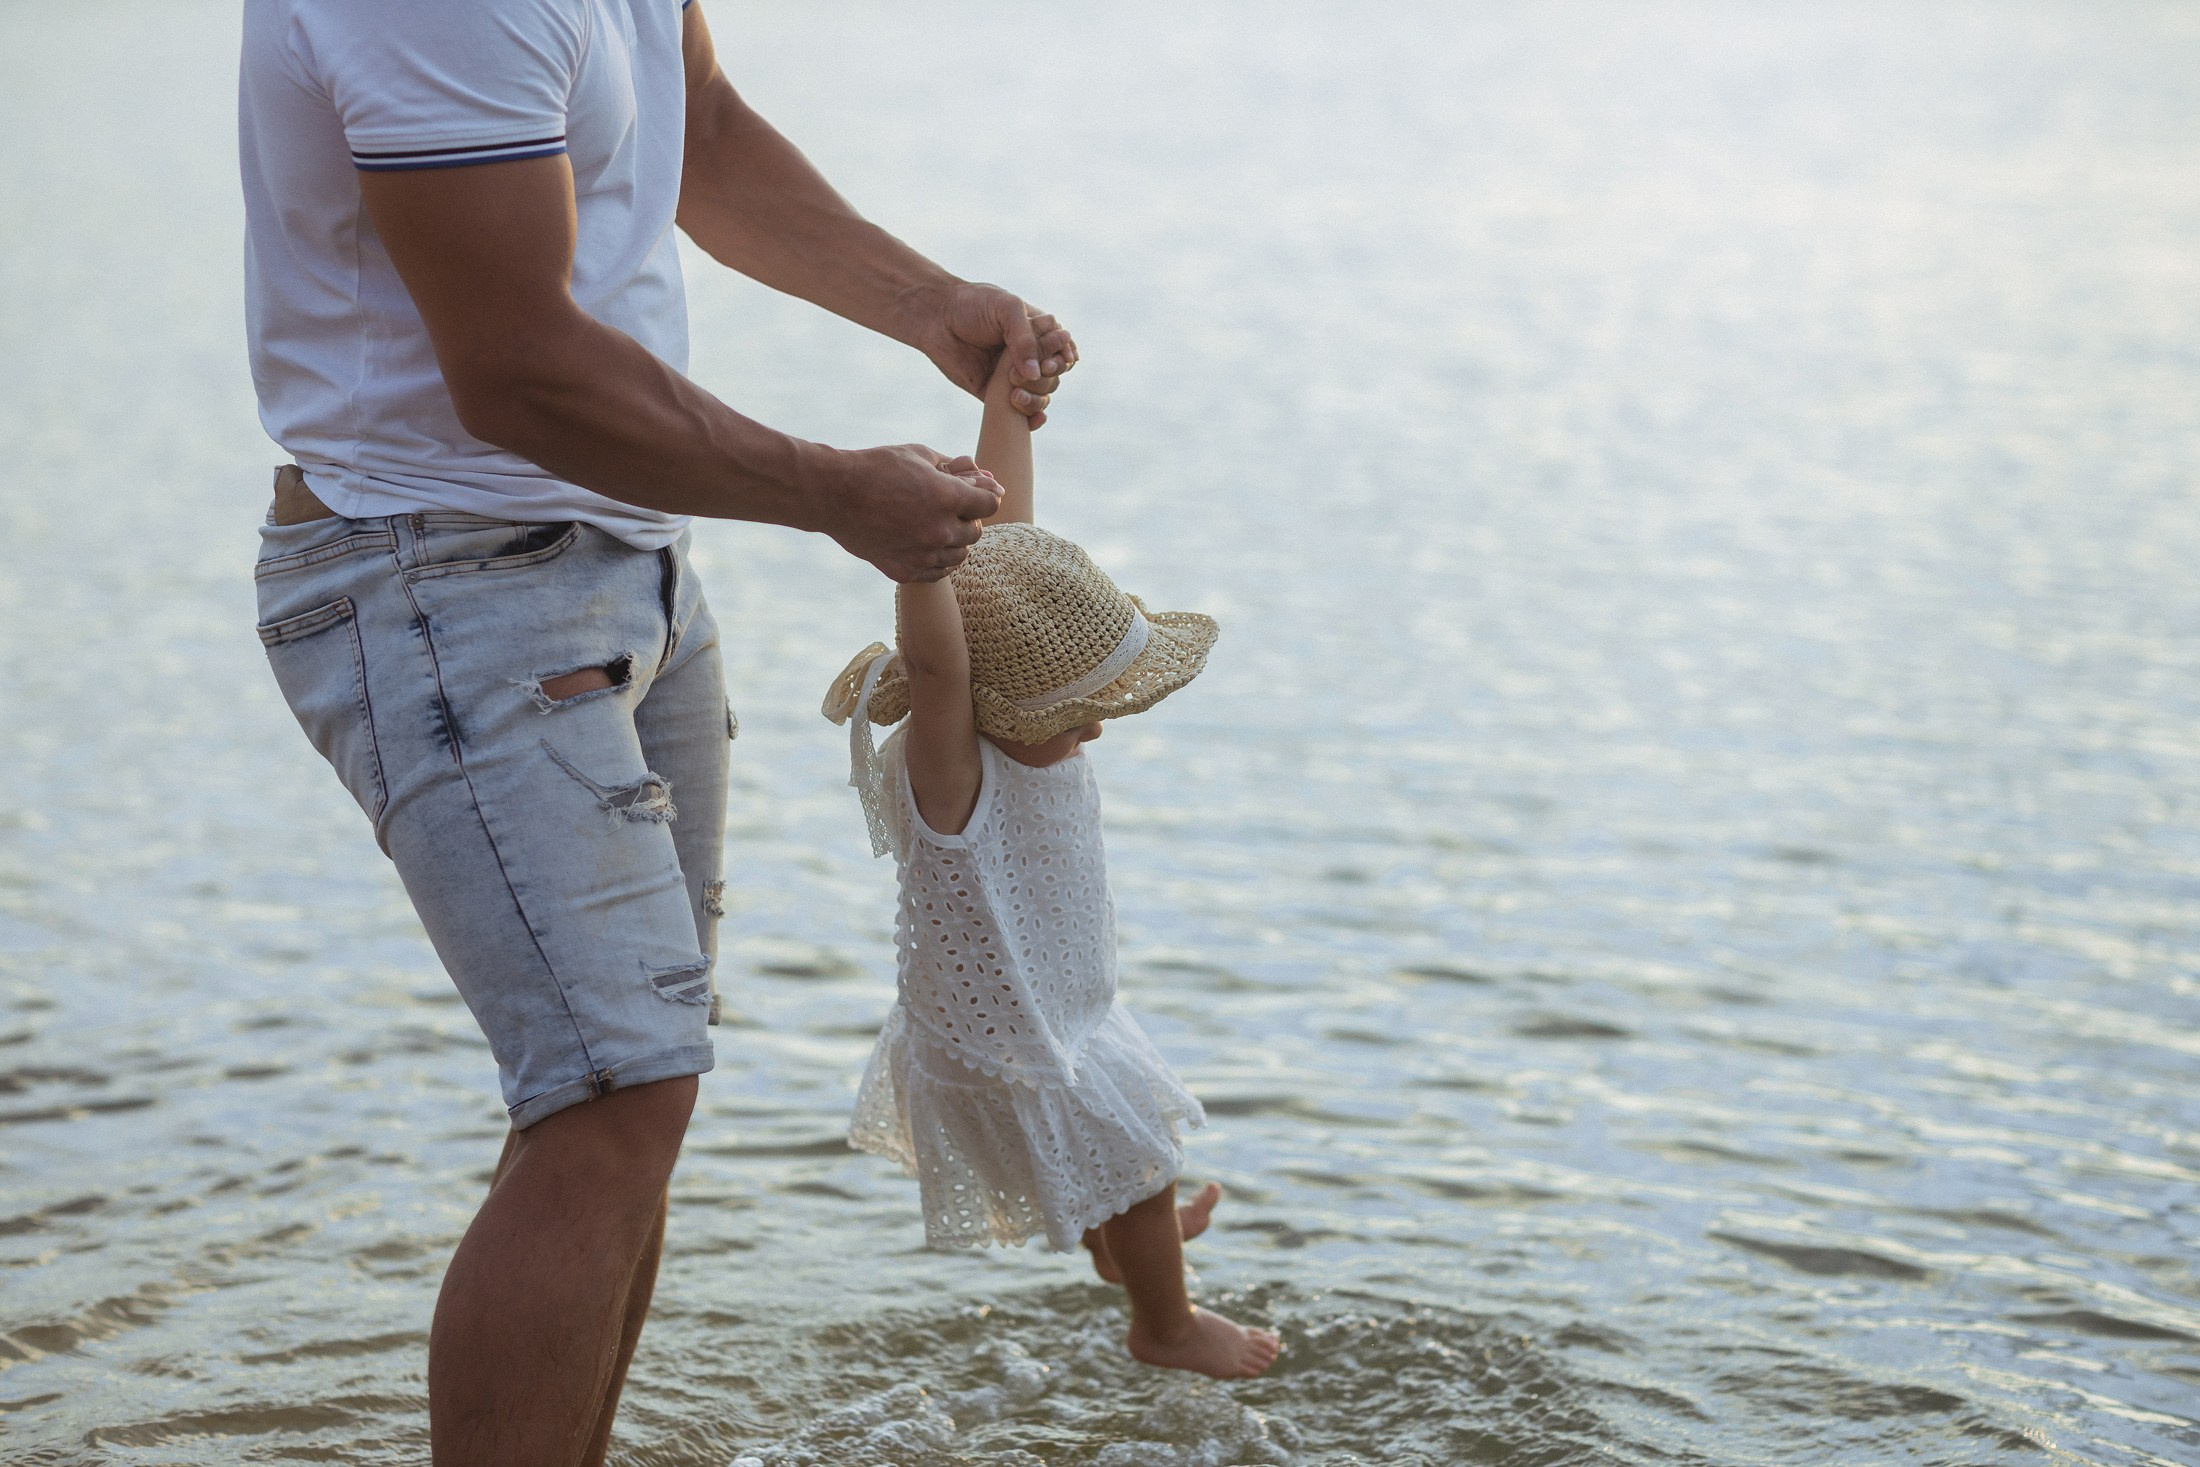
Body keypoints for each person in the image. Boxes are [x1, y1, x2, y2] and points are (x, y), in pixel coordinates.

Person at [238, 0, 1074, 1461]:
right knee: (613, 1091)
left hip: (629, 560)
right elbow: (516, 366)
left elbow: (705, 125)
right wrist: (830, 488)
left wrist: (922, 302)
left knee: (631, 1099)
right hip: (438, 575)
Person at [822, 356, 1282, 1380]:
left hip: (1058, 1014)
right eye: (1074, 716)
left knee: (1118, 1150)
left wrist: (1005, 411)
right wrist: (911, 562)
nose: (1092, 735)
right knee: (1137, 1155)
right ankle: (1163, 1324)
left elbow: (1003, 549)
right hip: (1006, 1040)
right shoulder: (951, 771)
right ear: (993, 706)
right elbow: (944, 656)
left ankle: (1124, 1253)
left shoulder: (1009, 705)